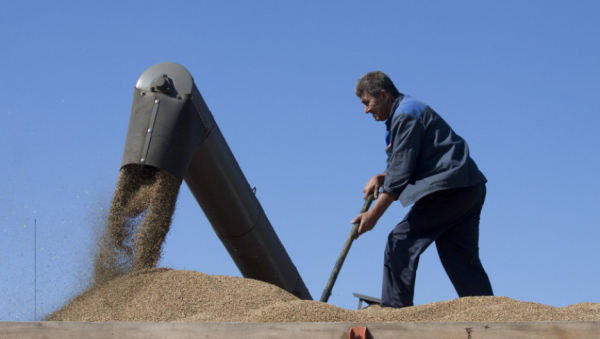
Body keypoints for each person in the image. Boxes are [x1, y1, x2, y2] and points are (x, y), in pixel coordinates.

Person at [351, 71, 493, 308]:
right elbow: (405, 164)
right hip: (468, 187)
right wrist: (381, 177)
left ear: (384, 94)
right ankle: (489, 314)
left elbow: (399, 175)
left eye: (367, 102)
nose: (366, 110)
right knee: (460, 258)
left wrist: (373, 215)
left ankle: (395, 314)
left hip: (450, 189)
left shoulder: (406, 116)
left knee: (400, 241)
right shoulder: (407, 110)